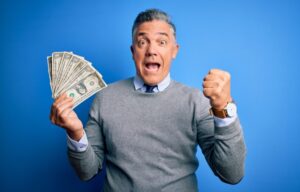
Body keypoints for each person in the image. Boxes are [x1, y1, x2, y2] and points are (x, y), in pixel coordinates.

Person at [50, 9, 246, 192]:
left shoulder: (196, 101)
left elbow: (231, 174)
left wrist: (224, 110)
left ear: (174, 50)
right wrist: (75, 133)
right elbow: (87, 172)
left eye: (161, 42)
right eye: (143, 42)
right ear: (133, 51)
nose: (151, 50)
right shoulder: (105, 98)